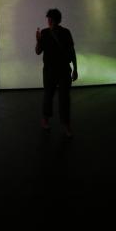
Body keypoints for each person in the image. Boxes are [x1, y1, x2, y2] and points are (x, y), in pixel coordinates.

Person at [35, 8, 78, 137]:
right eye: (48, 19)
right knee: (54, 97)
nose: (48, 21)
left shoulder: (62, 32)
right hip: (55, 70)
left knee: (58, 97)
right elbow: (38, 51)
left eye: (50, 19)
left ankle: (61, 123)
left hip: (58, 70)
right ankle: (53, 122)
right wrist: (38, 40)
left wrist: (75, 69)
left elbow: (71, 51)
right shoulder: (48, 32)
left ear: (54, 20)